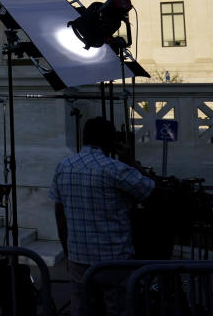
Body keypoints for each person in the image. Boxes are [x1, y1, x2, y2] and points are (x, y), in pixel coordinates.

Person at [50, 117, 155, 316]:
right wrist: (132, 162)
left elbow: (59, 212)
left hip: (78, 258)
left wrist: (68, 250)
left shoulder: (63, 166)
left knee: (82, 309)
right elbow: (151, 192)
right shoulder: (115, 169)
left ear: (84, 138)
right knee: (118, 308)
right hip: (114, 259)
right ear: (110, 141)